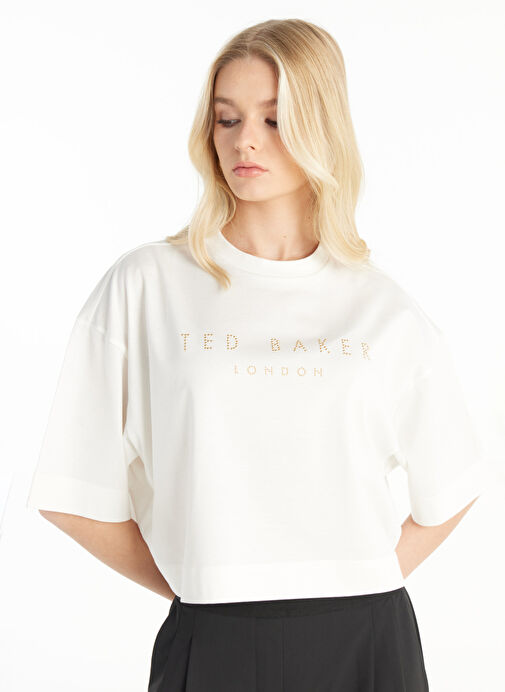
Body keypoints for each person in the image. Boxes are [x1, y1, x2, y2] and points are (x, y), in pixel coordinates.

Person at [26, 18, 489, 691]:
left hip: (367, 640)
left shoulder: (382, 307)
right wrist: (200, 585)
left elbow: (453, 482)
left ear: (321, 126)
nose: (244, 139)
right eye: (227, 118)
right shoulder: (148, 285)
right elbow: (72, 493)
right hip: (212, 635)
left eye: (274, 119)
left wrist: (362, 576)